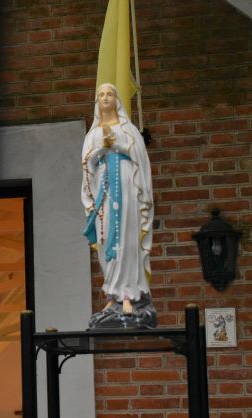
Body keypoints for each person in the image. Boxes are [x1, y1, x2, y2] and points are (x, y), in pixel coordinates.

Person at [81, 83, 156, 328]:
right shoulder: (92, 134)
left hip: (126, 188)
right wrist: (101, 150)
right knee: (105, 241)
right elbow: (86, 167)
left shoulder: (128, 129)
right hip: (103, 190)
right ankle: (113, 293)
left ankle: (129, 295)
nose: (105, 98)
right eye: (101, 94)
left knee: (127, 238)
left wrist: (118, 146)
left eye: (110, 94)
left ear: (117, 100)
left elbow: (140, 160)